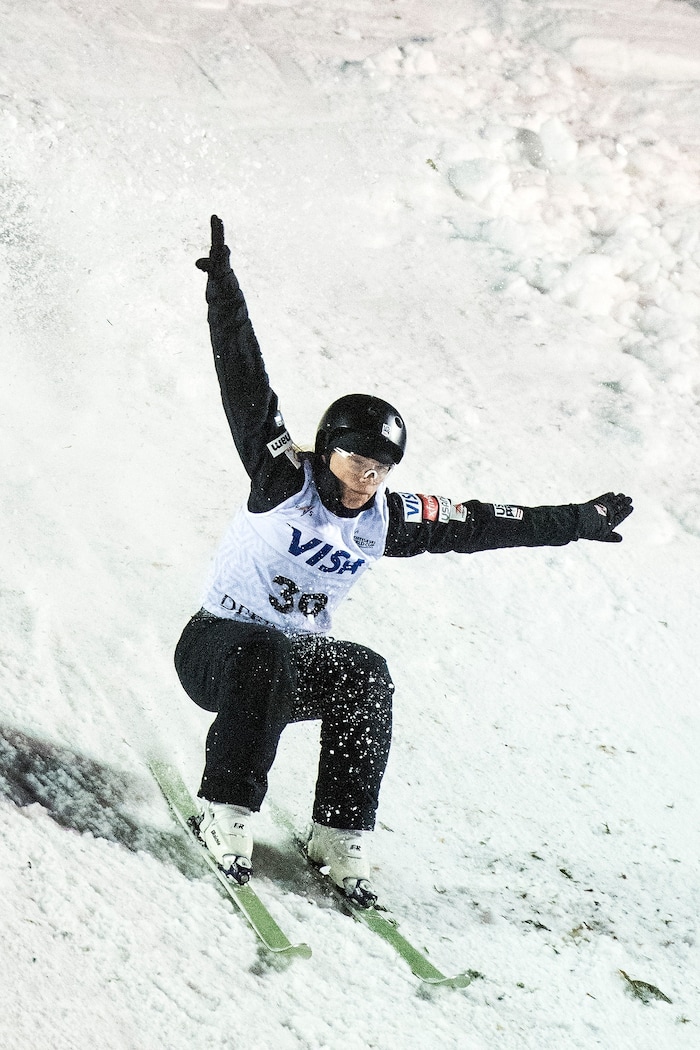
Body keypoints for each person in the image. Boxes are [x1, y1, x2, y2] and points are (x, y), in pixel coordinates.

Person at [174, 215, 633, 907]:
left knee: (366, 675)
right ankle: (227, 809)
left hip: (286, 665)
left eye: (382, 467)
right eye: (357, 459)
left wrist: (579, 522)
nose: (368, 478)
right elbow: (244, 382)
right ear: (326, 447)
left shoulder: (385, 518)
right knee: (265, 649)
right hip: (217, 650)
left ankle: (339, 831)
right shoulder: (282, 479)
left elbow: (482, 523)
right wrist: (224, 291)